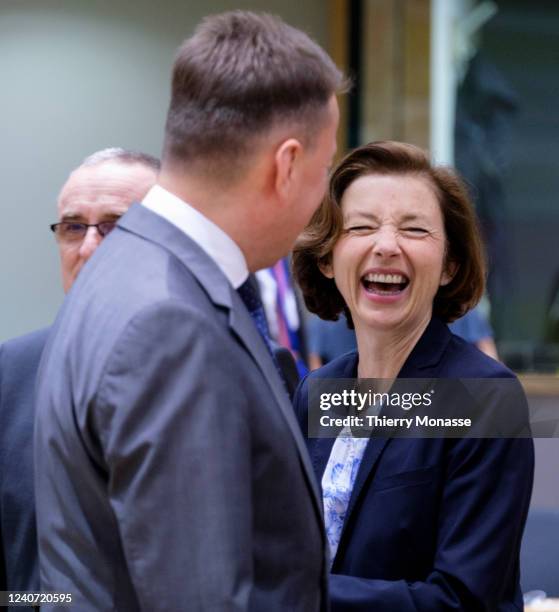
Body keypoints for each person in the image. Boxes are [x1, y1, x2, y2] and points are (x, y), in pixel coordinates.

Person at [34, 11, 342, 611]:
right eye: (325, 167)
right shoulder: (170, 323)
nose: (321, 193)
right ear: (285, 165)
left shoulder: (126, 268)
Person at [292, 141, 534, 611]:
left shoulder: (480, 398)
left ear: (449, 266)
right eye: (361, 227)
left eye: (414, 229)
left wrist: (296, 596)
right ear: (327, 258)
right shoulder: (319, 391)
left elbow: (462, 601)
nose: (385, 246)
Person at [0, 148, 159, 604]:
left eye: (115, 226)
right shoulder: (11, 370)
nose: (89, 247)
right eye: (73, 227)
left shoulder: (212, 369)